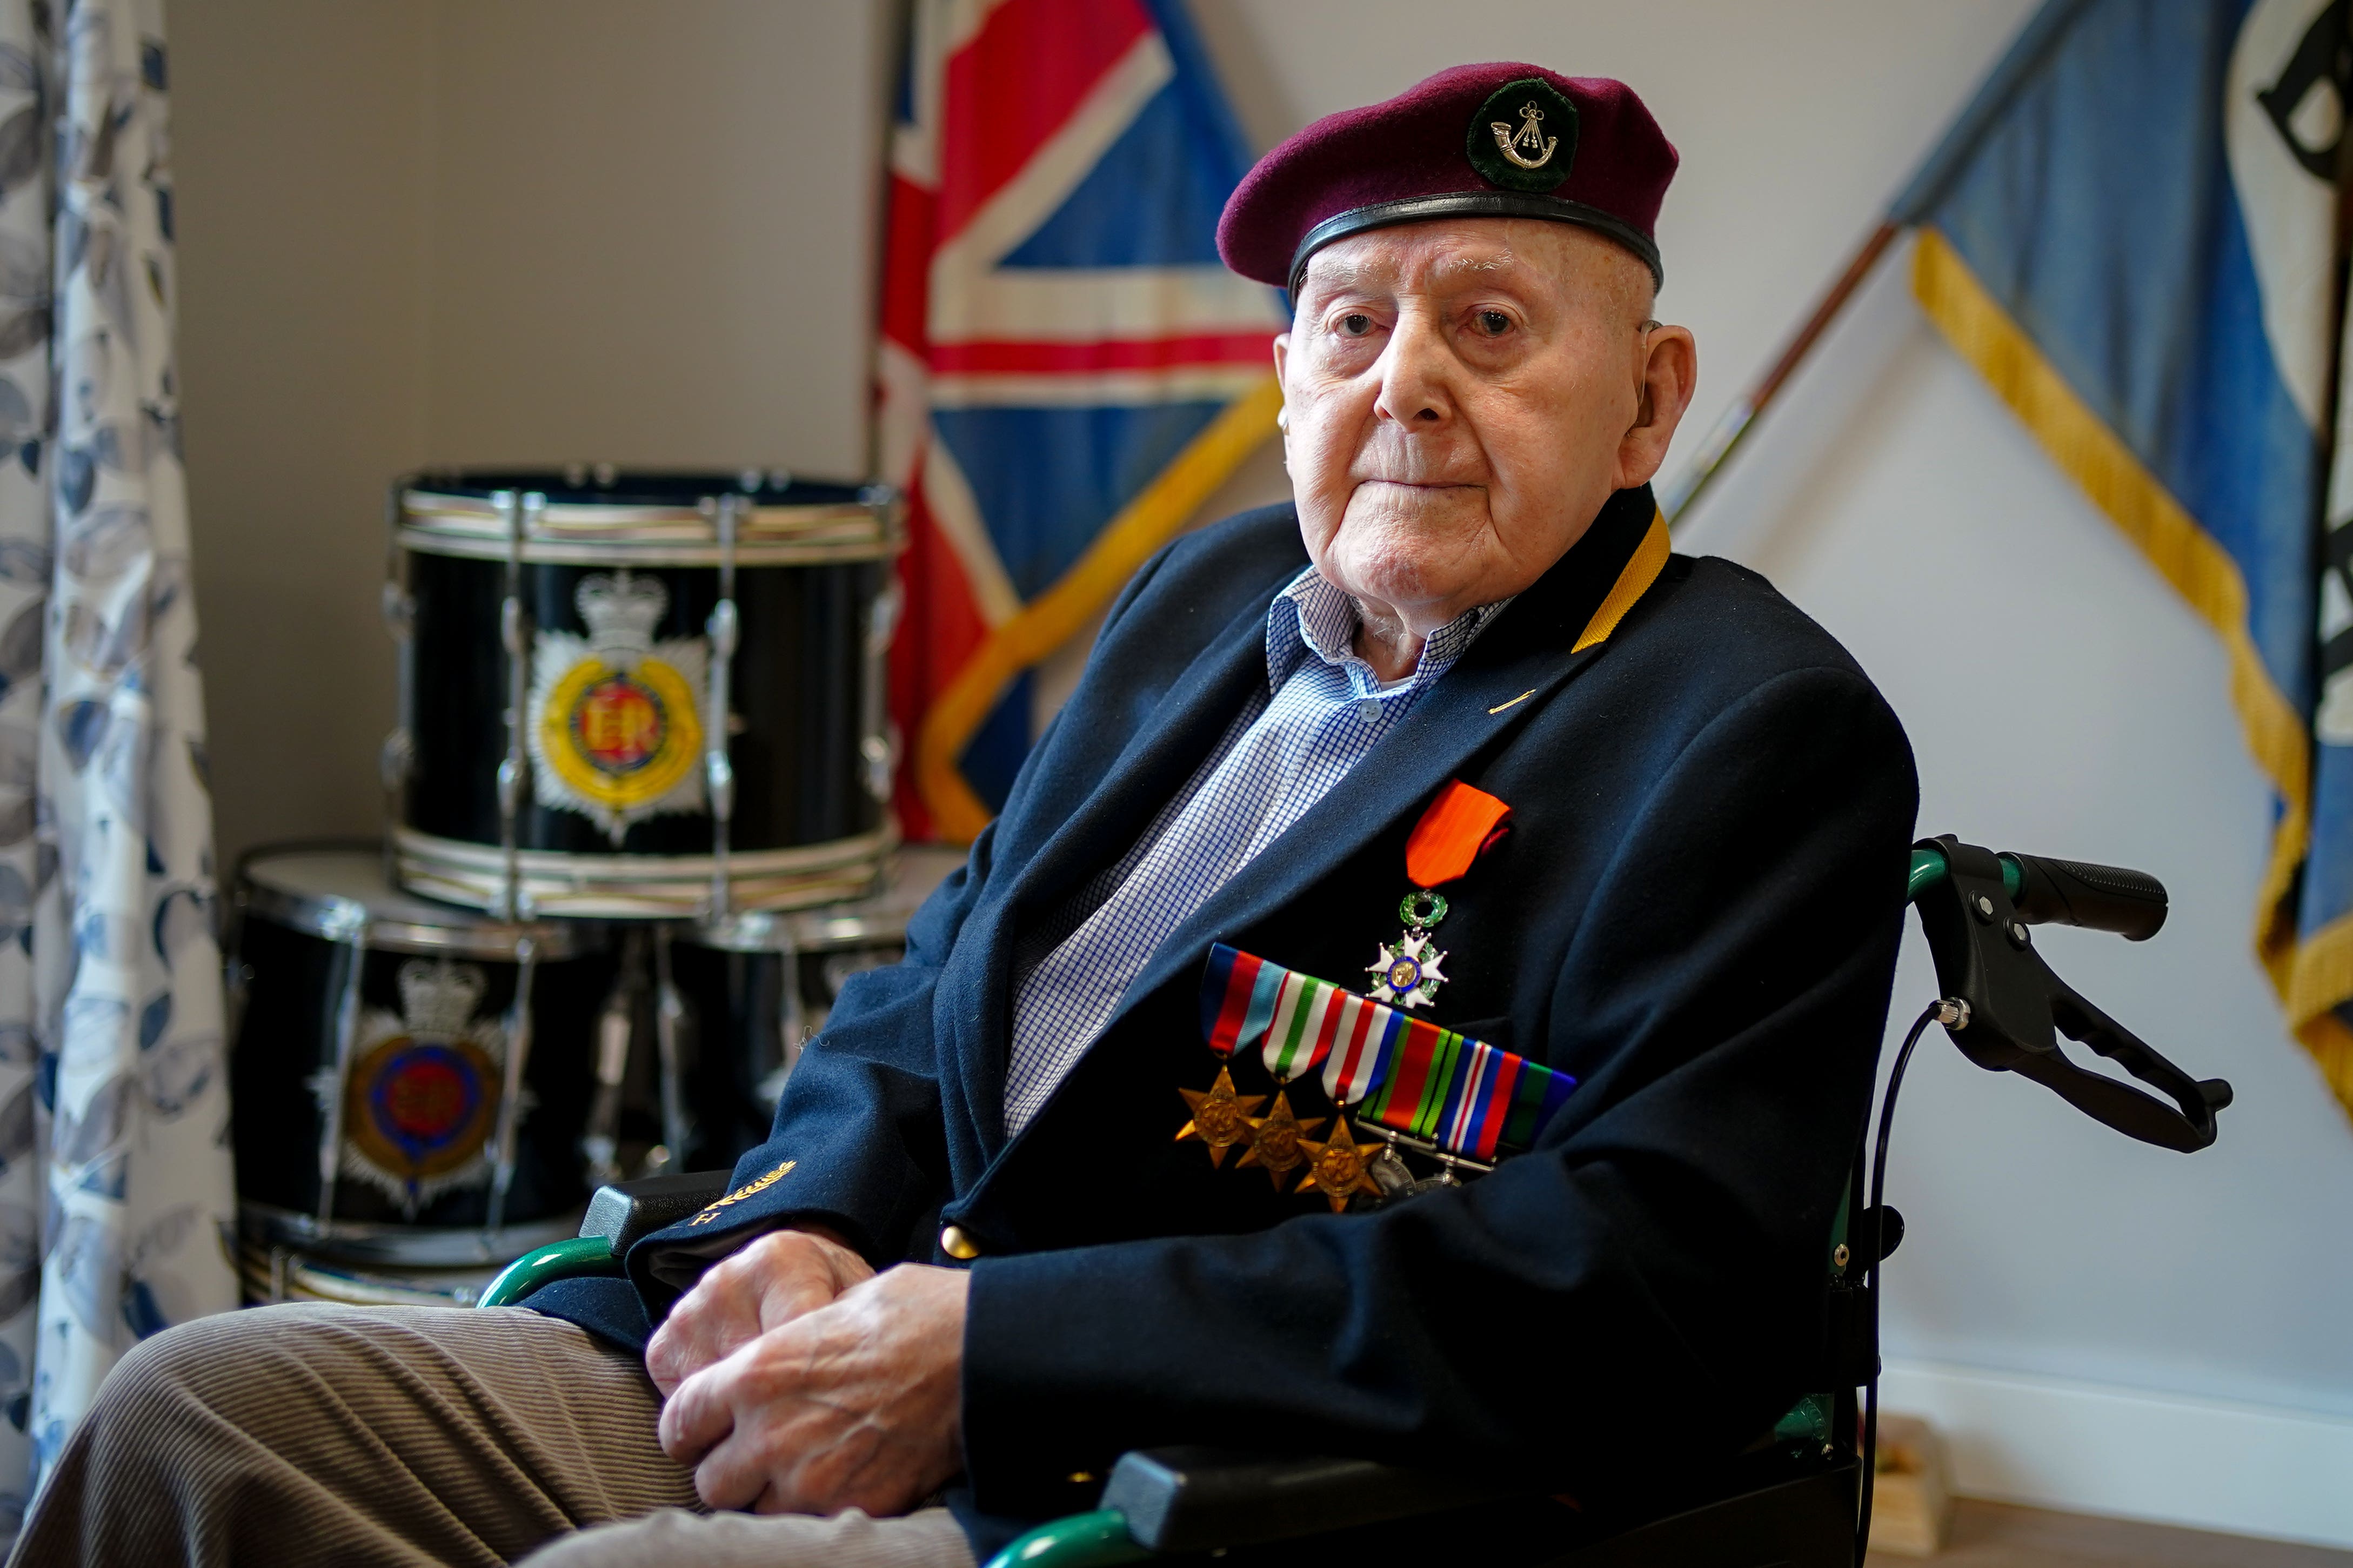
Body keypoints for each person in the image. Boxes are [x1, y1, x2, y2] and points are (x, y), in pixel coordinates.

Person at [9, 62, 1916, 1568]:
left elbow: (1647, 1289)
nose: (1404, 381)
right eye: (1348, 328)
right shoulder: (1198, 604)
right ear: (1282, 383)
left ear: (1648, 405)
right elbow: (941, 982)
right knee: (193, 1417)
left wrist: (983, 1359)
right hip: (874, 1339)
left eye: (1491, 326)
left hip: (1196, 1474)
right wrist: (817, 1225)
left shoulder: (1748, 733)